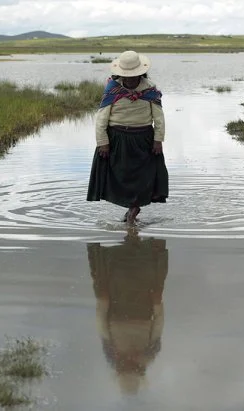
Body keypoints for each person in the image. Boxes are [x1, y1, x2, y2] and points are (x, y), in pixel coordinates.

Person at [87, 50, 169, 224]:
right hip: (117, 140)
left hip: (144, 140)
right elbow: (101, 118)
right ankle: (131, 208)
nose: (131, 79)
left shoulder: (150, 89)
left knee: (143, 176)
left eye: (135, 76)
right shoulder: (112, 89)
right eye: (128, 76)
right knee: (120, 176)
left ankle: (133, 209)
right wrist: (103, 142)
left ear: (141, 73)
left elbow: (159, 117)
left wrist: (158, 140)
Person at [87, 230, 168, 395]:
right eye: (132, 367)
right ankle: (133, 229)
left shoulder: (111, 353)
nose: (130, 362)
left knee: (118, 265)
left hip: (118, 298)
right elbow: (159, 323)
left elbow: (101, 324)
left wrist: (102, 301)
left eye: (127, 367)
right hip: (141, 297)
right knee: (142, 262)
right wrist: (158, 302)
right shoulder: (150, 353)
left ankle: (131, 228)